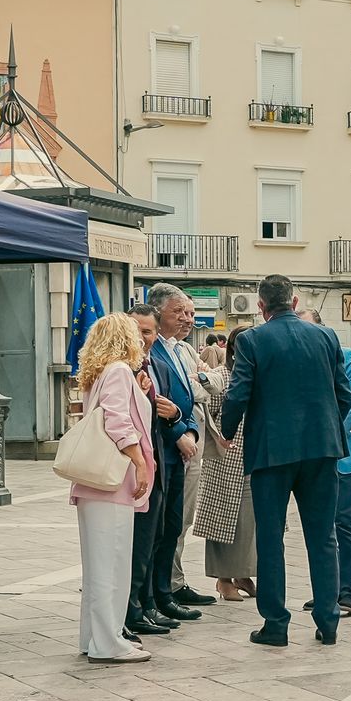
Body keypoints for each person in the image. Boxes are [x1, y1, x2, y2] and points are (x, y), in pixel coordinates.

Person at [222, 274, 351, 647]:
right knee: (323, 537)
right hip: (322, 449)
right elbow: (343, 394)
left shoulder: (251, 340)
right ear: (294, 302)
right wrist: (325, 427)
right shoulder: (326, 336)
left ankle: (276, 623)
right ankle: (328, 622)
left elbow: (238, 394)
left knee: (270, 537)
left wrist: (227, 432)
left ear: (261, 307)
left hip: (271, 452)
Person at [70, 313, 155, 665]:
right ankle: (109, 641)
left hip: (93, 484)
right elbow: (117, 419)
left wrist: (142, 393)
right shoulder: (119, 370)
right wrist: (138, 462)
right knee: (114, 563)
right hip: (113, 481)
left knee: (97, 567)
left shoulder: (100, 373)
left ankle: (95, 637)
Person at [299, 308, 351, 616]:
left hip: (347, 455)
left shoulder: (343, 354)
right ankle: (326, 590)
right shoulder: (300, 360)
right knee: (322, 525)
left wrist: (340, 427)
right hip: (315, 455)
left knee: (346, 523)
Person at [148, 284, 216, 609]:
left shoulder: (181, 348)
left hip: (191, 441)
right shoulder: (154, 351)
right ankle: (164, 589)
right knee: (165, 523)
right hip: (170, 446)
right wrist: (179, 428)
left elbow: (198, 392)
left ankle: (172, 582)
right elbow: (176, 396)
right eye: (180, 312)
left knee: (180, 520)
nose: (188, 319)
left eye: (190, 312)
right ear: (157, 313)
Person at [123, 303, 176, 638]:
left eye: (147, 331)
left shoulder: (157, 366)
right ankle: (132, 610)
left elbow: (170, 412)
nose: (141, 338)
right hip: (132, 468)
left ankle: (148, 604)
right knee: (133, 542)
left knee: (154, 537)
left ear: (157, 335)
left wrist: (173, 416)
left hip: (158, 463)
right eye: (135, 330)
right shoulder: (118, 369)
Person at [195, 325, 256, 602]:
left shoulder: (261, 374)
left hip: (256, 454)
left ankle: (244, 573)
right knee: (224, 517)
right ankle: (223, 579)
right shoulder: (223, 374)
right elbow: (210, 406)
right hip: (227, 456)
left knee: (252, 519)